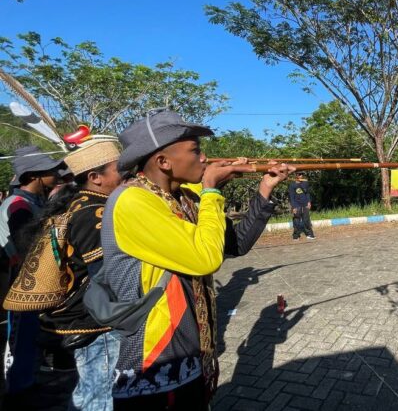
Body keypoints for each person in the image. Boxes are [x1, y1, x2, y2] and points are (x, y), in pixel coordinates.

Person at [100, 109, 292, 409]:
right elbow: (205, 259)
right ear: (163, 162)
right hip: (156, 362)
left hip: (188, 354)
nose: (204, 158)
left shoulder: (180, 197)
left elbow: (234, 245)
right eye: (195, 151)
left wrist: (265, 188)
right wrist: (212, 190)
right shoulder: (132, 201)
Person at [29, 138, 124, 410]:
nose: (128, 175)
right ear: (95, 177)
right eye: (121, 169)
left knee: (88, 393)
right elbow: (106, 276)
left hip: (79, 317)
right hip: (95, 324)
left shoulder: (77, 204)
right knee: (101, 398)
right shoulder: (95, 211)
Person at [0, 146, 65, 403]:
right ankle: (17, 390)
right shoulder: (19, 206)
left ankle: (26, 382)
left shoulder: (28, 203)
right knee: (21, 336)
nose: (55, 175)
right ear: (34, 176)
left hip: (31, 279)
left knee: (29, 335)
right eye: (49, 171)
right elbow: (27, 245)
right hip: (23, 281)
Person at [289, 172, 315, 240]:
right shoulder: (292, 185)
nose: (301, 176)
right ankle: (296, 235)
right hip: (297, 205)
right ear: (296, 175)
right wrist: (294, 207)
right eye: (299, 174)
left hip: (305, 204)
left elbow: (307, 193)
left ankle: (310, 234)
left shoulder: (305, 183)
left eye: (302, 174)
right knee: (296, 221)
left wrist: (309, 202)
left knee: (306, 220)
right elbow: (291, 197)